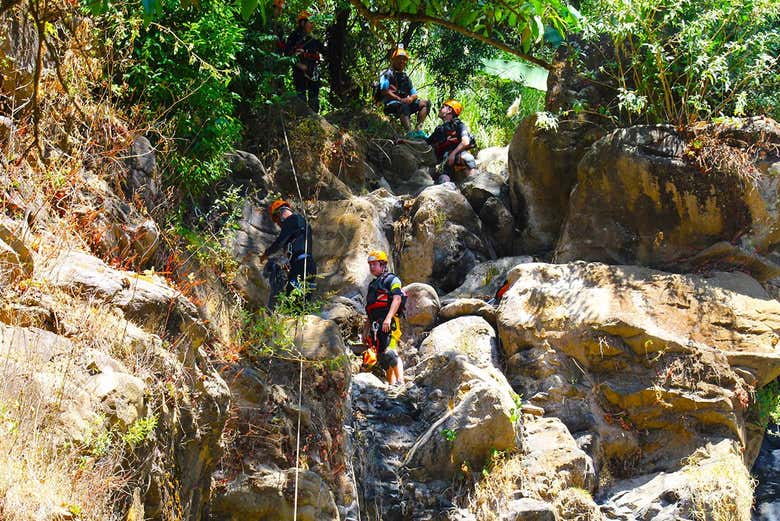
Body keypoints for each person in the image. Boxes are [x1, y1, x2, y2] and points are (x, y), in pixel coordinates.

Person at [398, 99, 477, 183]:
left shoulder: (458, 125)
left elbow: (465, 142)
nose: (440, 109)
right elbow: (425, 143)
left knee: (467, 157)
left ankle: (475, 182)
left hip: (457, 157)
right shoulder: (440, 130)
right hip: (445, 162)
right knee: (443, 180)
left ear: (449, 110)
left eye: (442, 107)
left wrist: (453, 154)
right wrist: (405, 141)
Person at [258, 199, 317, 298]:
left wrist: (265, 255)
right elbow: (296, 244)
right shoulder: (302, 223)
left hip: (301, 265)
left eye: (277, 220)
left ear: (280, 213)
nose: (278, 224)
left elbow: (279, 242)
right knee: (303, 300)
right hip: (309, 266)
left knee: (292, 298)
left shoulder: (291, 220)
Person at [364, 250, 405, 385]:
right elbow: (370, 309)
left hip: (390, 322)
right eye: (370, 265)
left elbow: (397, 299)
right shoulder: (372, 285)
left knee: (390, 353)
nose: (371, 267)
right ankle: (392, 385)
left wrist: (388, 318)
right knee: (382, 357)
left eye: (374, 264)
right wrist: (365, 331)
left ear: (383, 265)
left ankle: (401, 382)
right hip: (376, 326)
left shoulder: (393, 280)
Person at [379, 46, 430, 135]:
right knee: (403, 106)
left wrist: (410, 99)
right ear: (393, 60)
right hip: (390, 104)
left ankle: (418, 130)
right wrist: (399, 99)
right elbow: (384, 90)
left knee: (425, 103)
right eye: (399, 59)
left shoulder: (405, 78)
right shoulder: (386, 74)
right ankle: (409, 133)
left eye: (404, 59)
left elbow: (414, 94)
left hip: (403, 103)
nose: (402, 61)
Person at [285, 10, 324, 112]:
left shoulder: (313, 38)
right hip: (299, 72)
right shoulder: (294, 37)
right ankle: (302, 117)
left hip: (312, 70)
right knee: (301, 96)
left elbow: (324, 51)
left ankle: (315, 118)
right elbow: (288, 53)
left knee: (314, 96)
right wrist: (300, 65)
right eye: (310, 22)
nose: (312, 25)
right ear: (303, 23)